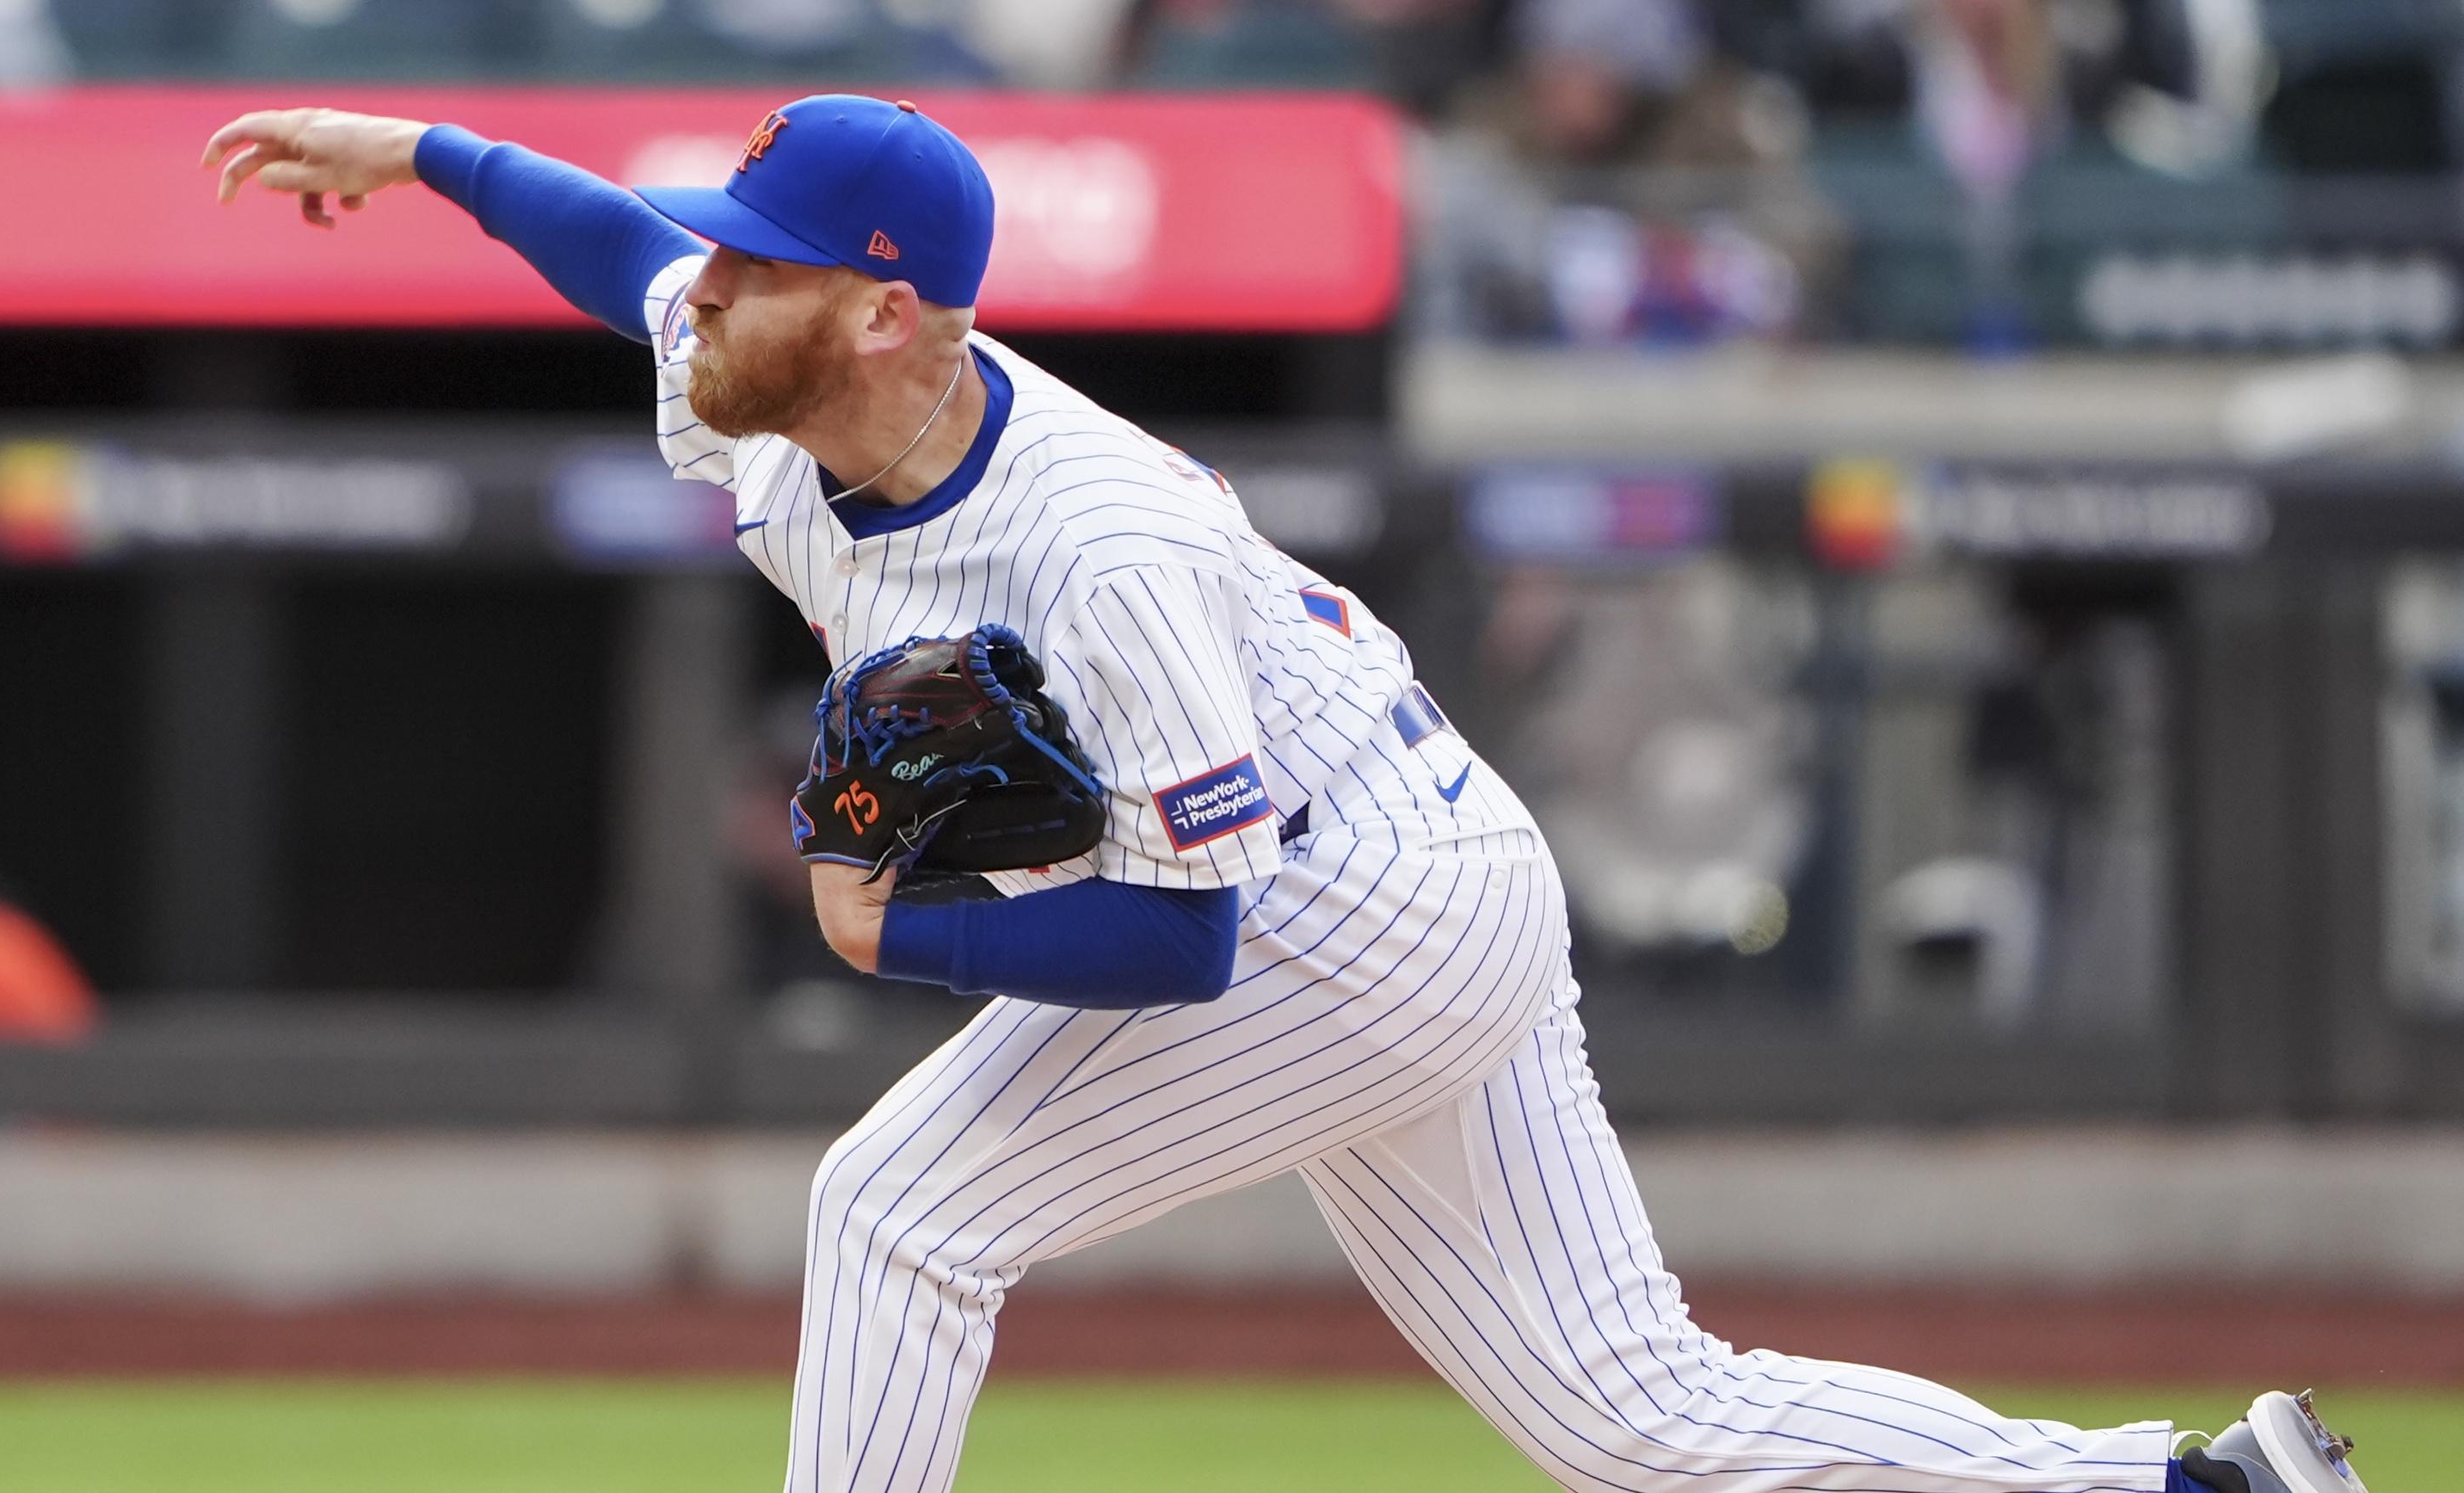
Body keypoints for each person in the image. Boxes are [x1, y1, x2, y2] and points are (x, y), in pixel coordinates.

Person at [199, 96, 2375, 1493]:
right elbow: (614, 243)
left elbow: (1187, 935)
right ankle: (2189, 1486)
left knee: (897, 1210)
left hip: (1353, 904)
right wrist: (419, 155)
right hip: (1427, 858)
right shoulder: (783, 381)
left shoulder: (1095, 540)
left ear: (886, 314)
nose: (711, 281)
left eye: (760, 260)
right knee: (1633, 1412)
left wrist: (893, 934)